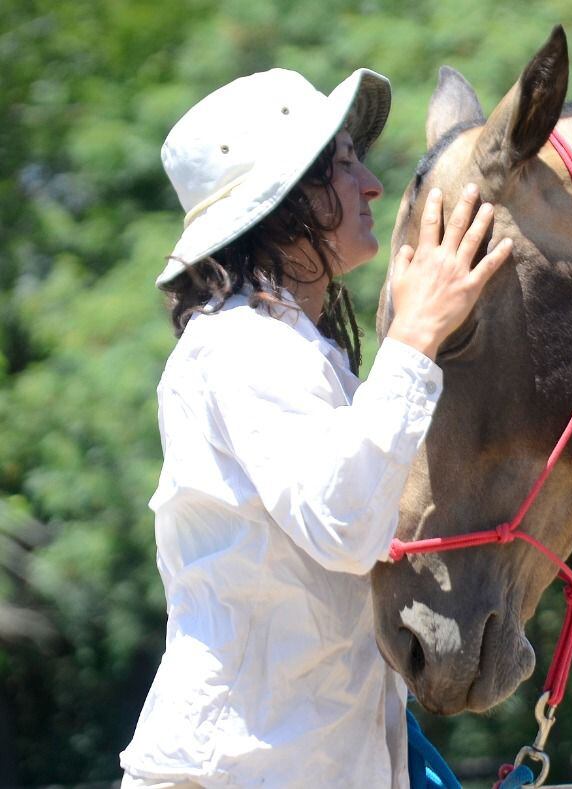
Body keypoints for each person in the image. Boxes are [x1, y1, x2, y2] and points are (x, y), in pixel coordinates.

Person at [118, 66, 510, 788]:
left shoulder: (297, 351)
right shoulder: (239, 345)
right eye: (341, 165)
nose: (371, 185)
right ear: (283, 203)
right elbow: (343, 521)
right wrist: (418, 332)